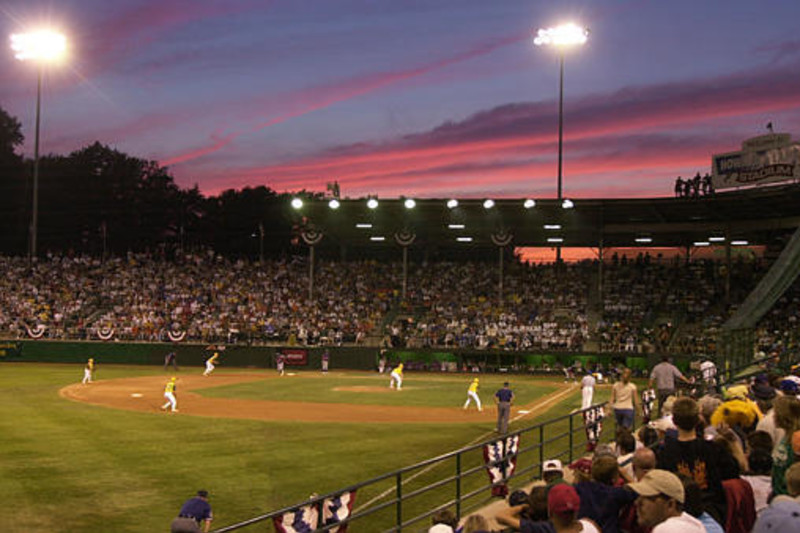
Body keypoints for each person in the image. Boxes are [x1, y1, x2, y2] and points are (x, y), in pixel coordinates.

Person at [655, 397, 730, 524]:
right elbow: (733, 471)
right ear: (697, 420)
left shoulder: (665, 453)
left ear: (674, 421)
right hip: (711, 512)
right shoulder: (713, 449)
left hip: (680, 514)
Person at [629, 469, 705, 532]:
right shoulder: (695, 525)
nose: (637, 503)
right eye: (639, 496)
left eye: (646, 498)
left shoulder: (666, 529)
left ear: (670, 505)